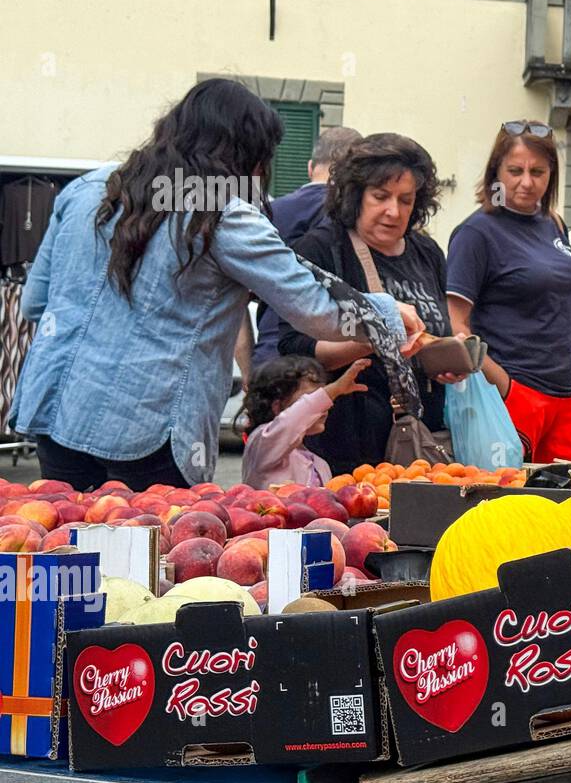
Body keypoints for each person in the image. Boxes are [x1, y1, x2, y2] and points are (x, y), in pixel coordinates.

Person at [13, 79, 423, 491]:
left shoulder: (85, 190)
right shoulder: (223, 214)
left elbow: (35, 302)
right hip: (149, 429)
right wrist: (387, 313)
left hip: (56, 410)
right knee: (153, 551)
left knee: (66, 547)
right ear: (244, 152)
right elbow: (313, 305)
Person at [280, 133, 460, 476]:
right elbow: (294, 346)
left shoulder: (428, 253)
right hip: (348, 442)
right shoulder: (321, 250)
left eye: (406, 200)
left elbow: (436, 329)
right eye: (381, 197)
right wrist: (375, 339)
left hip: (421, 442)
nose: (394, 211)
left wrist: (445, 359)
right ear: (355, 196)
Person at [447, 121, 571, 463]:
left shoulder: (554, 224)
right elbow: (455, 322)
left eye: (538, 171)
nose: (526, 182)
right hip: (515, 396)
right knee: (511, 506)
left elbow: (568, 303)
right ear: (495, 171)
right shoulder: (477, 232)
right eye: (515, 170)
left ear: (552, 175)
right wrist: (504, 385)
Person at [252, 126, 362, 368]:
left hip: (269, 353)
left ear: (310, 167)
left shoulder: (265, 213)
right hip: (323, 356)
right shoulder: (351, 218)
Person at [240, 356, 369, 489]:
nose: (325, 405)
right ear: (277, 407)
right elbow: (289, 422)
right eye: (311, 397)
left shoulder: (321, 465)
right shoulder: (262, 446)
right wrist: (334, 390)